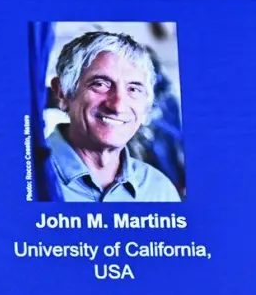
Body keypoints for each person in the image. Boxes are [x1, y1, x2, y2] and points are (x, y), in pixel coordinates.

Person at [37, 30, 181, 203]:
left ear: (146, 108)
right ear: (61, 93)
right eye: (100, 84)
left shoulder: (160, 191)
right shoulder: (24, 179)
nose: (118, 106)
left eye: (133, 89)